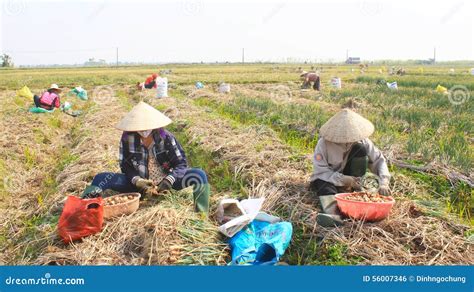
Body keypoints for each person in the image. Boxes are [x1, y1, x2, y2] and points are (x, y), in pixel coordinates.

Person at [82, 101, 210, 213]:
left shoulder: (166, 138)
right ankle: (85, 209)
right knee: (101, 178)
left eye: (147, 126)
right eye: (139, 127)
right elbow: (125, 165)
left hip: (165, 182)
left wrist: (169, 180)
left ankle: (201, 214)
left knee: (199, 175)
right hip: (139, 184)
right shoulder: (128, 139)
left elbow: (181, 163)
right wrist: (137, 180)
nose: (144, 131)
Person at [309, 109, 391, 227]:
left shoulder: (363, 141)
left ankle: (358, 196)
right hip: (330, 178)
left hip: (355, 180)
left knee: (361, 149)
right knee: (323, 185)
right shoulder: (324, 144)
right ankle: (334, 215)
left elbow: (379, 160)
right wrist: (345, 180)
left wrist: (384, 182)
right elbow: (321, 171)